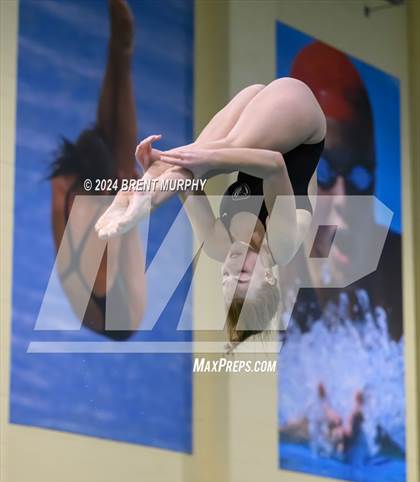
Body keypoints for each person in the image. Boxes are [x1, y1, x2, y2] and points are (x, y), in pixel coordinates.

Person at [95, 78, 327, 346]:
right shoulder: (282, 245)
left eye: (225, 276)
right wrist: (202, 161)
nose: (230, 265)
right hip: (302, 122)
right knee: (216, 154)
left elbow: (186, 184)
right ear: (269, 277)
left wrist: (162, 163)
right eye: (240, 275)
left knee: (198, 159)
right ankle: (142, 199)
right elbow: (274, 165)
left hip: (257, 112)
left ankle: (142, 189)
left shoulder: (219, 246)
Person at [282, 41, 403, 341]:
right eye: (324, 172)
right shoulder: (263, 278)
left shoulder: (401, 270)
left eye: (360, 176)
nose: (344, 200)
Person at [50, 0, 146, 340]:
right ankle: (122, 53)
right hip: (121, 314)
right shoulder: (101, 271)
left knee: (118, 168)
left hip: (92, 279)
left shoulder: (64, 188)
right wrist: (129, 193)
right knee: (123, 172)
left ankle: (118, 50)